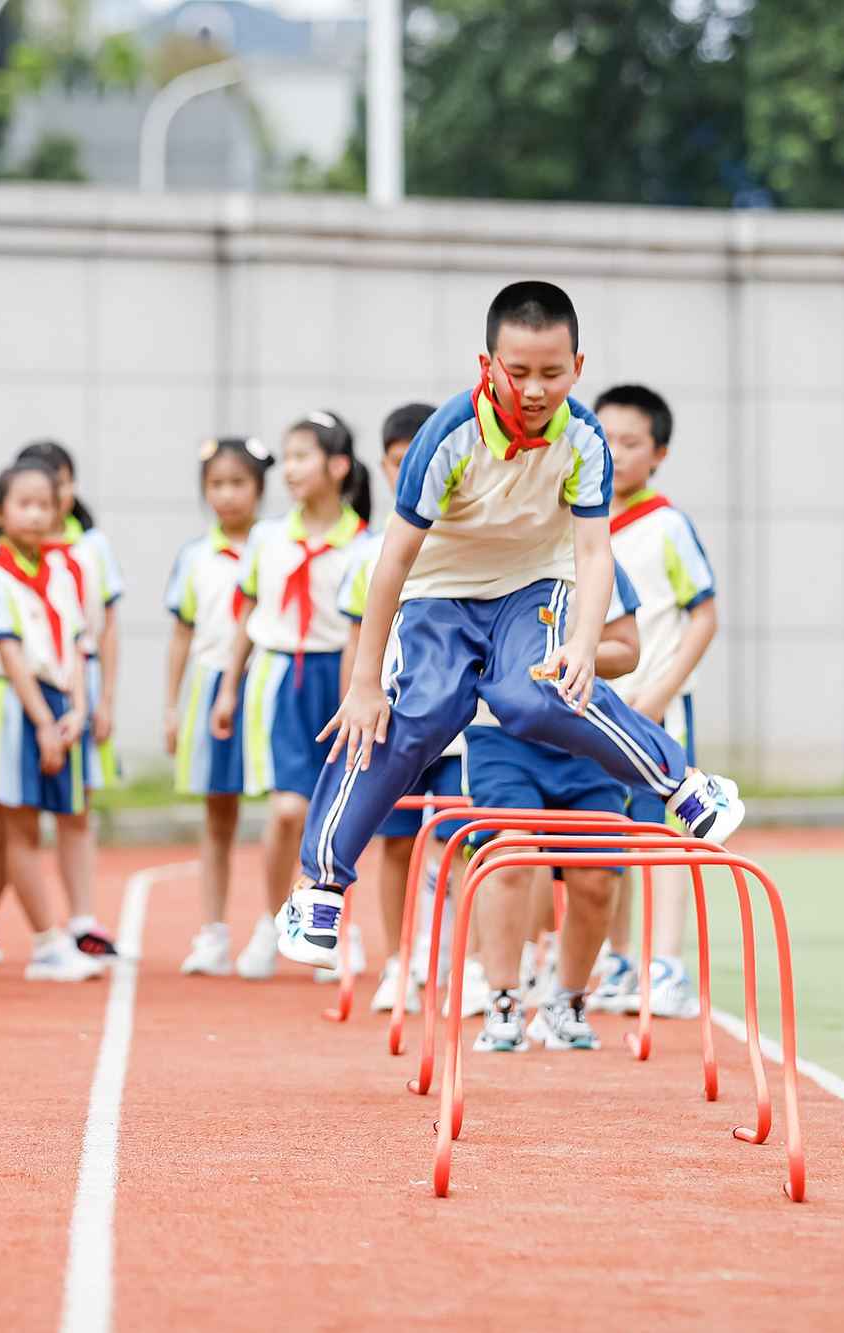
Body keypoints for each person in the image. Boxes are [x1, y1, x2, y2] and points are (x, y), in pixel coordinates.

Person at [278, 281, 745, 975]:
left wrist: (584, 642)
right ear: (487, 364)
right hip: (440, 592)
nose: (533, 388)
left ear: (577, 368)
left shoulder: (584, 438)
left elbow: (593, 550)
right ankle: (319, 886)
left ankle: (682, 783)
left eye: (552, 373)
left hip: (534, 584)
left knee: (537, 695)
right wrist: (365, 679)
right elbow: (395, 559)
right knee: (414, 715)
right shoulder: (447, 436)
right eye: (517, 371)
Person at [208, 411, 370, 980]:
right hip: (280, 680)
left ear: (338, 465)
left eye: (302, 455)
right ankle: (273, 918)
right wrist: (229, 689)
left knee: (340, 811)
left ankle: (327, 923)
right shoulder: (266, 538)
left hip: (345, 679)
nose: (291, 469)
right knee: (288, 810)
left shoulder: (367, 544)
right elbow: (245, 616)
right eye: (288, 456)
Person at [466, 564, 644, 1053]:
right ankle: (502, 1000)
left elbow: (627, 649)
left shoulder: (594, 561)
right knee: (511, 852)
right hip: (503, 735)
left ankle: (566, 1000)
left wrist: (575, 656)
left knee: (597, 870)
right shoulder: (485, 552)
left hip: (587, 733)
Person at [339, 403, 478, 1012]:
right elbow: (356, 638)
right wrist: (357, 695)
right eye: (399, 464)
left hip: (459, 726)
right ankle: (400, 960)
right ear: (386, 465)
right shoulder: (371, 551)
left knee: (463, 840)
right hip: (391, 718)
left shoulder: (478, 541)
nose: (412, 474)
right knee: (396, 841)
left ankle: (464, 962)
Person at [587, 383, 719, 1020]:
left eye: (630, 441)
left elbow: (704, 615)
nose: (615, 451)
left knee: (659, 831)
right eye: (604, 438)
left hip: (657, 710)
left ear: (658, 452)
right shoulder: (579, 524)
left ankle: (667, 965)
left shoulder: (668, 525)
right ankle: (617, 958)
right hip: (596, 712)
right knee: (607, 830)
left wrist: (661, 690)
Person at [0, 462, 107, 983]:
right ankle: (47, 943)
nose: (35, 514)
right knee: (18, 825)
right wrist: (42, 722)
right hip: (13, 705)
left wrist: (76, 709)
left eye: (44, 504)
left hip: (57, 703)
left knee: (16, 831)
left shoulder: (63, 569)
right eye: (22, 504)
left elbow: (77, 645)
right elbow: (8, 653)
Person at [0, 440, 125, 962]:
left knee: (76, 806)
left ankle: (80, 920)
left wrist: (101, 699)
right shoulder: (0, 563)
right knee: (12, 814)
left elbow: (101, 629)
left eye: (56, 486)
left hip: (76, 683)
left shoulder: (88, 550)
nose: (41, 505)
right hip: (25, 691)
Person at [164, 438, 270, 976]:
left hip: (270, 681)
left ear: (260, 488)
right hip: (210, 689)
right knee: (218, 812)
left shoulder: (274, 546)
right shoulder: (194, 557)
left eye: (238, 483)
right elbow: (181, 636)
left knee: (286, 806)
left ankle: (285, 923)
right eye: (216, 484)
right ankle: (214, 931)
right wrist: (170, 706)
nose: (226, 495)